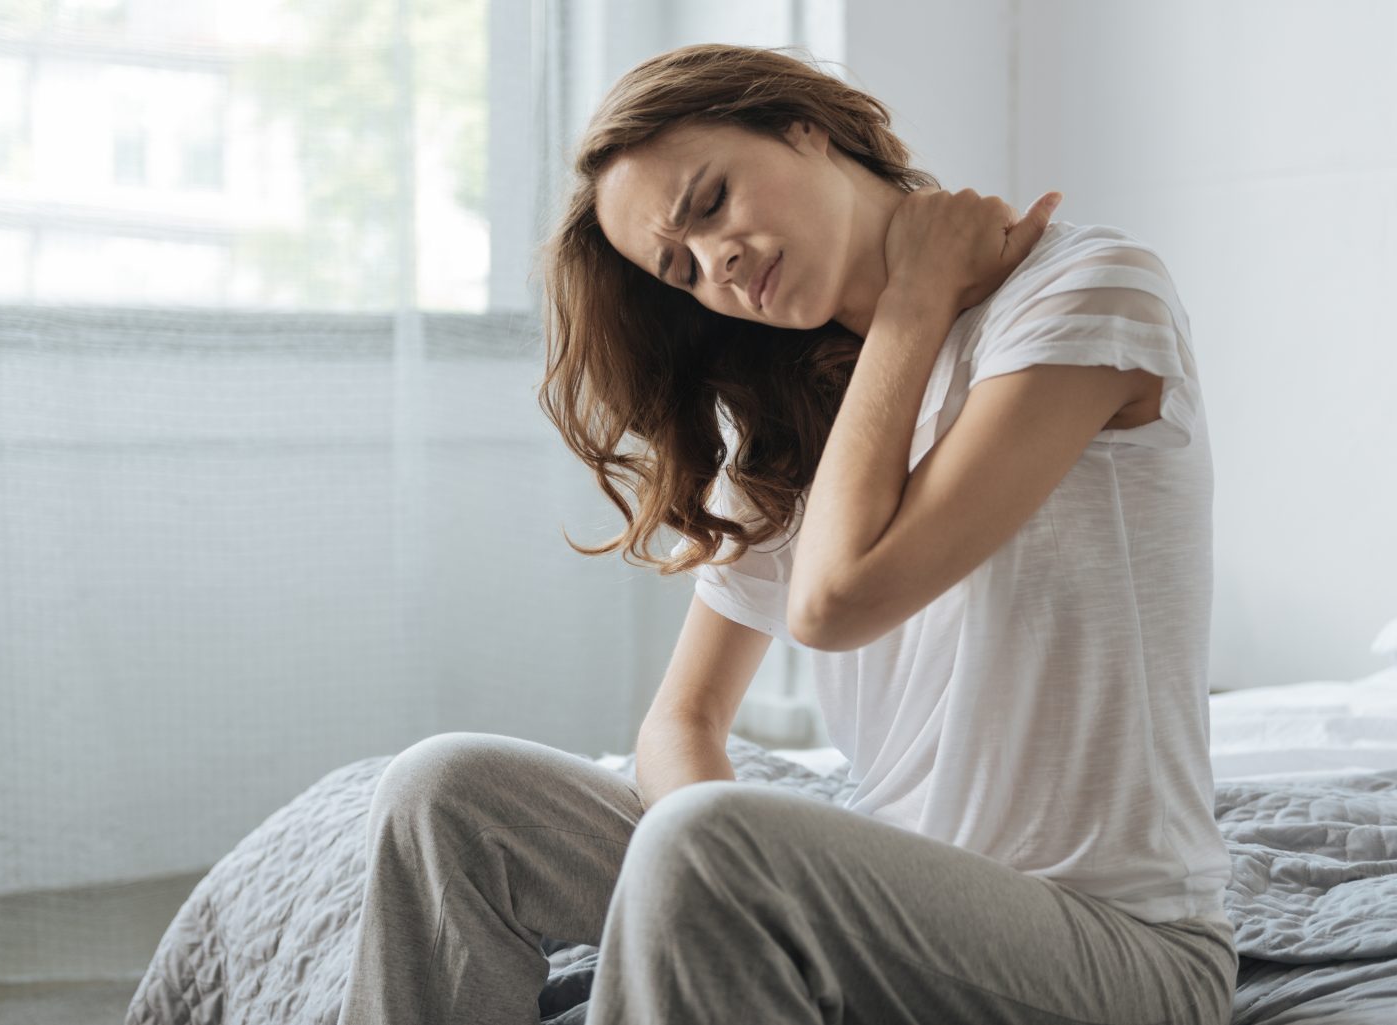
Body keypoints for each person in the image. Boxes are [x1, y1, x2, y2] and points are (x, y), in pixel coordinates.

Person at [337, 43, 1237, 1025]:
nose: (714, 263)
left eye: (711, 201)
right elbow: (680, 722)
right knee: (447, 793)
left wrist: (913, 301)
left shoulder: (1088, 291)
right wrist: (699, 875)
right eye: (681, 269)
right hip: (884, 914)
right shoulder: (801, 410)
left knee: (713, 843)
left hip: (1111, 947)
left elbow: (837, 602)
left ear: (803, 127)